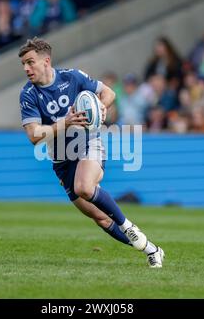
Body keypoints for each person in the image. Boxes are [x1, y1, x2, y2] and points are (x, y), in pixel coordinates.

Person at [18, 37, 164, 268]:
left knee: (84, 187)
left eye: (30, 62)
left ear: (46, 61)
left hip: (87, 144)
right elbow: (34, 136)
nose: (26, 68)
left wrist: (101, 109)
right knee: (102, 218)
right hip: (61, 161)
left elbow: (109, 94)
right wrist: (65, 123)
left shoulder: (72, 77)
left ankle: (128, 226)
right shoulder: (29, 94)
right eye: (24, 64)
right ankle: (152, 249)